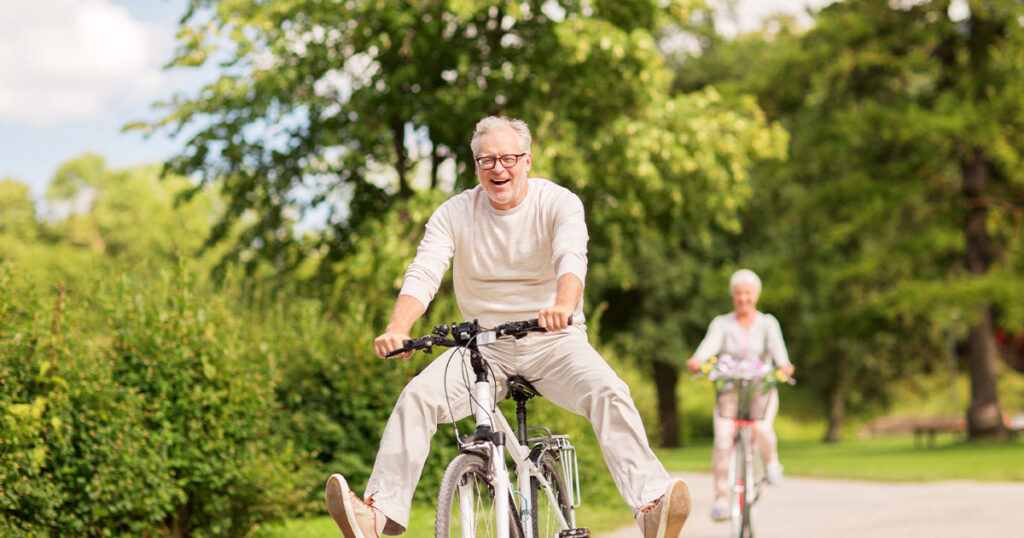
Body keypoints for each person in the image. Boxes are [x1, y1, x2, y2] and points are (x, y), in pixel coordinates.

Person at [324, 116, 691, 538]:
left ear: (527, 161)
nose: (498, 168)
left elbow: (571, 257)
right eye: (487, 160)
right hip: (482, 347)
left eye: (508, 158)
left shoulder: (558, 203)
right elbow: (424, 271)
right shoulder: (454, 213)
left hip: (553, 340)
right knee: (416, 398)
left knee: (609, 391)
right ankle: (379, 514)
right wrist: (398, 326)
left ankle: (650, 506)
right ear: (475, 166)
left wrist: (563, 305)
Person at [685, 269, 794, 522]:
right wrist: (697, 360)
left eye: (748, 293)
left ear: (756, 295)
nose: (743, 299)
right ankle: (721, 498)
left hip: (761, 391)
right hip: (730, 392)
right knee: (723, 440)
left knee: (763, 428)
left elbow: (780, 354)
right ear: (733, 296)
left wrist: (784, 366)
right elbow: (707, 347)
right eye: (738, 294)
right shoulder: (722, 324)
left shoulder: (768, 323)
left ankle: (771, 462)